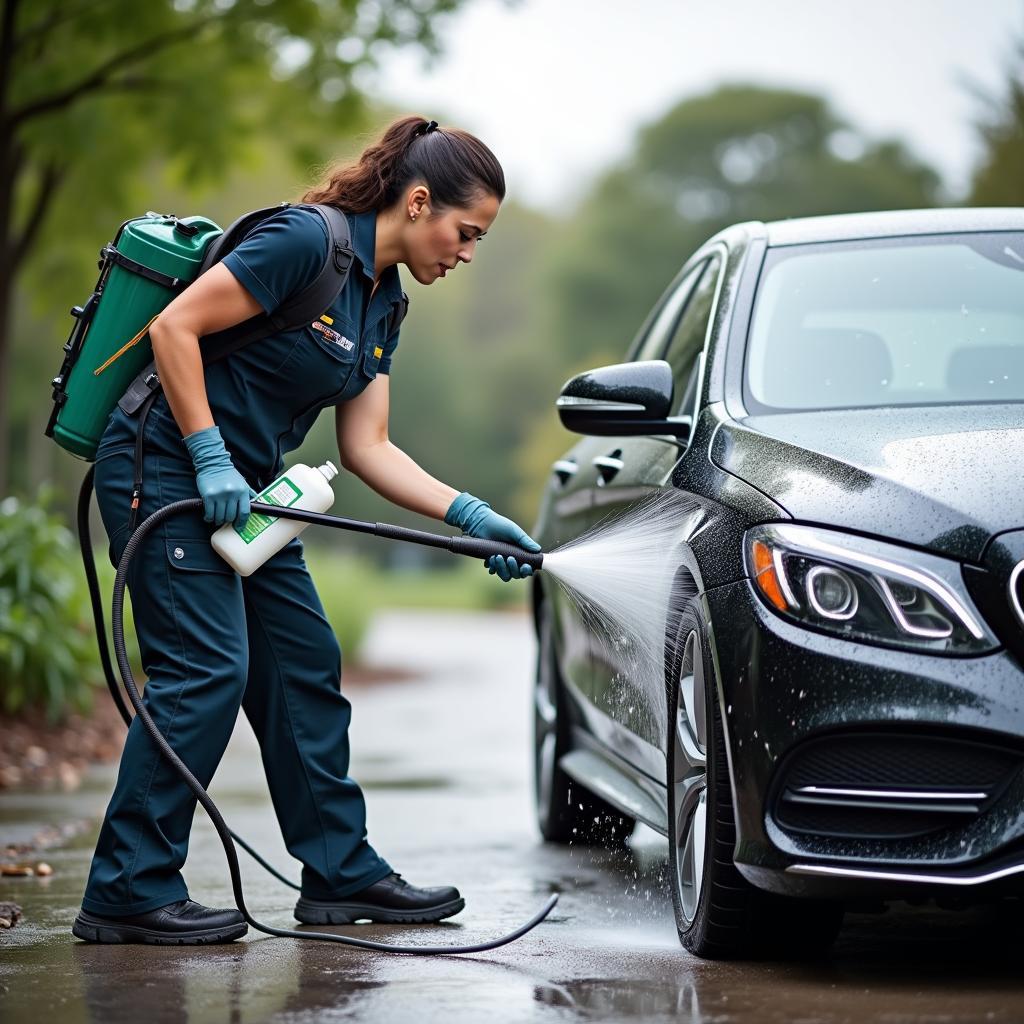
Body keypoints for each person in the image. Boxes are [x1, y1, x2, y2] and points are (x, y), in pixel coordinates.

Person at [72, 116, 541, 945]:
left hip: (252, 495)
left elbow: (367, 447)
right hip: (164, 467)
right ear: (420, 201)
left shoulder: (384, 303)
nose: (467, 253)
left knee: (303, 663)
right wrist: (210, 455)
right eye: (465, 233)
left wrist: (468, 514)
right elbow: (175, 329)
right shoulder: (305, 242)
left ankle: (339, 873)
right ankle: (126, 890)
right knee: (206, 668)